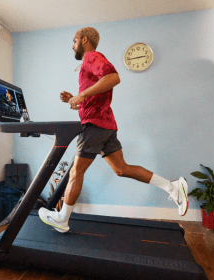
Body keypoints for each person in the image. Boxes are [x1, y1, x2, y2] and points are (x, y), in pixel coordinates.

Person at [39, 27, 188, 233]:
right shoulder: (89, 62)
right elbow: (96, 96)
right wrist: (75, 97)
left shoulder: (92, 56)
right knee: (121, 169)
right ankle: (172, 187)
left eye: (74, 41)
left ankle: (62, 219)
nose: (72, 46)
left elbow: (113, 78)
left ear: (84, 40)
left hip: (95, 125)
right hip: (106, 124)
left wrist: (81, 96)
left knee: (76, 171)